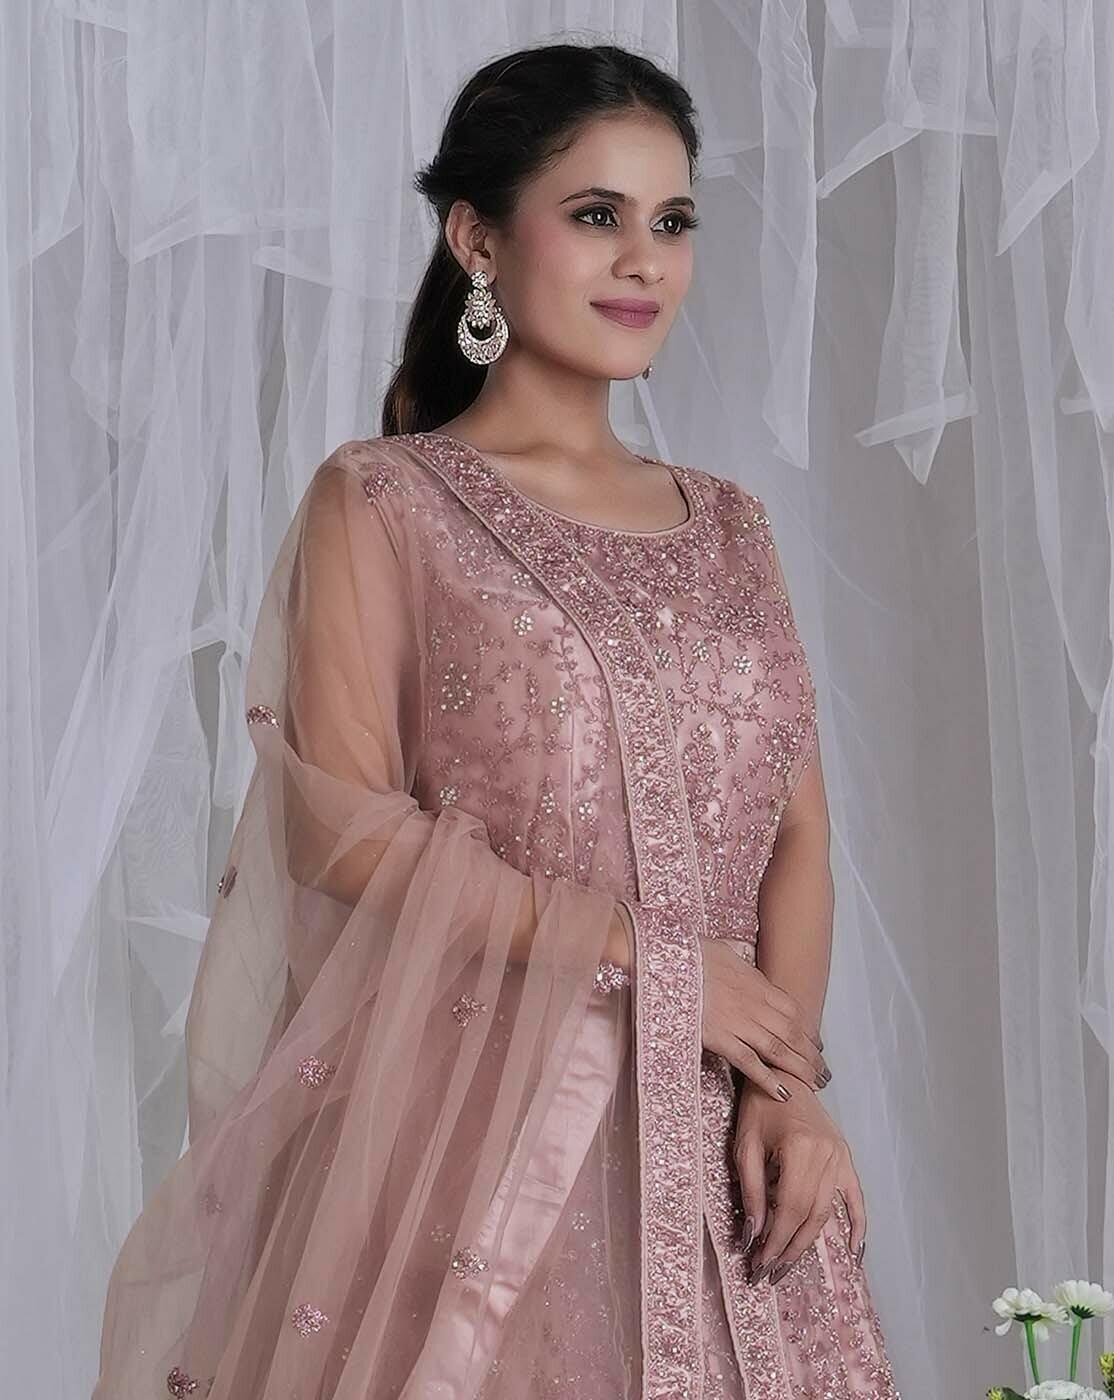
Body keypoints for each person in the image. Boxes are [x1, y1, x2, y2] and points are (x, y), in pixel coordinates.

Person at [92, 40, 901, 1400]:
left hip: (728, 1149)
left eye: (672, 222)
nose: (643, 261)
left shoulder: (731, 528)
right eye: (596, 215)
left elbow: (797, 833)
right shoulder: (386, 501)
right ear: (477, 237)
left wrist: (788, 1087)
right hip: (481, 1147)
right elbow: (338, 829)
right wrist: (653, 960)